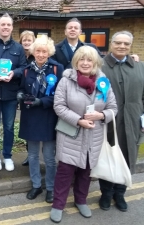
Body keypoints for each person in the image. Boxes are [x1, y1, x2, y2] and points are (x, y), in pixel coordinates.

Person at [50, 46, 117, 223]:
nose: (85, 63)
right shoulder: (66, 80)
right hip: (71, 134)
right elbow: (59, 106)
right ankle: (58, 204)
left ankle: (81, 201)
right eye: (82, 59)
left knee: (86, 172)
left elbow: (113, 108)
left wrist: (101, 115)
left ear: (95, 63)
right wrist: (78, 120)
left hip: (93, 137)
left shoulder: (103, 82)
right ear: (76, 62)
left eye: (89, 60)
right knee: (65, 172)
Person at [99, 31, 144, 212]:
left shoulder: (140, 67)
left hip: (132, 120)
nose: (122, 46)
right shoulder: (100, 66)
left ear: (130, 46)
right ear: (111, 43)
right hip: (108, 120)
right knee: (107, 157)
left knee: (126, 157)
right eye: (118, 43)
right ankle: (106, 193)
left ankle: (120, 193)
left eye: (126, 44)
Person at [17, 36, 64, 203]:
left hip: (48, 116)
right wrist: (20, 94)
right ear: (33, 52)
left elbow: (61, 96)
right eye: (38, 50)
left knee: (50, 157)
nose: (41, 54)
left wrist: (41, 101)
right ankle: (36, 185)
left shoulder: (58, 69)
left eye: (44, 51)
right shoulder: (26, 70)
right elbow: (22, 87)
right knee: (33, 155)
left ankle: (50, 188)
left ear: (49, 52)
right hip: (30, 116)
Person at [0, 13, 27, 171]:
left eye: (8, 25)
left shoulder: (18, 48)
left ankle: (7, 156)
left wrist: (13, 74)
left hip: (10, 94)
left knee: (9, 127)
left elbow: (23, 67)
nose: (5, 27)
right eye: (3, 24)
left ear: (11, 27)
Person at [18, 30, 36, 166]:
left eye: (29, 40)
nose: (27, 42)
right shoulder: (19, 54)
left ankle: (34, 156)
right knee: (26, 125)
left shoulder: (36, 56)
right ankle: (29, 155)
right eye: (24, 40)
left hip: (34, 95)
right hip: (21, 94)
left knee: (34, 125)